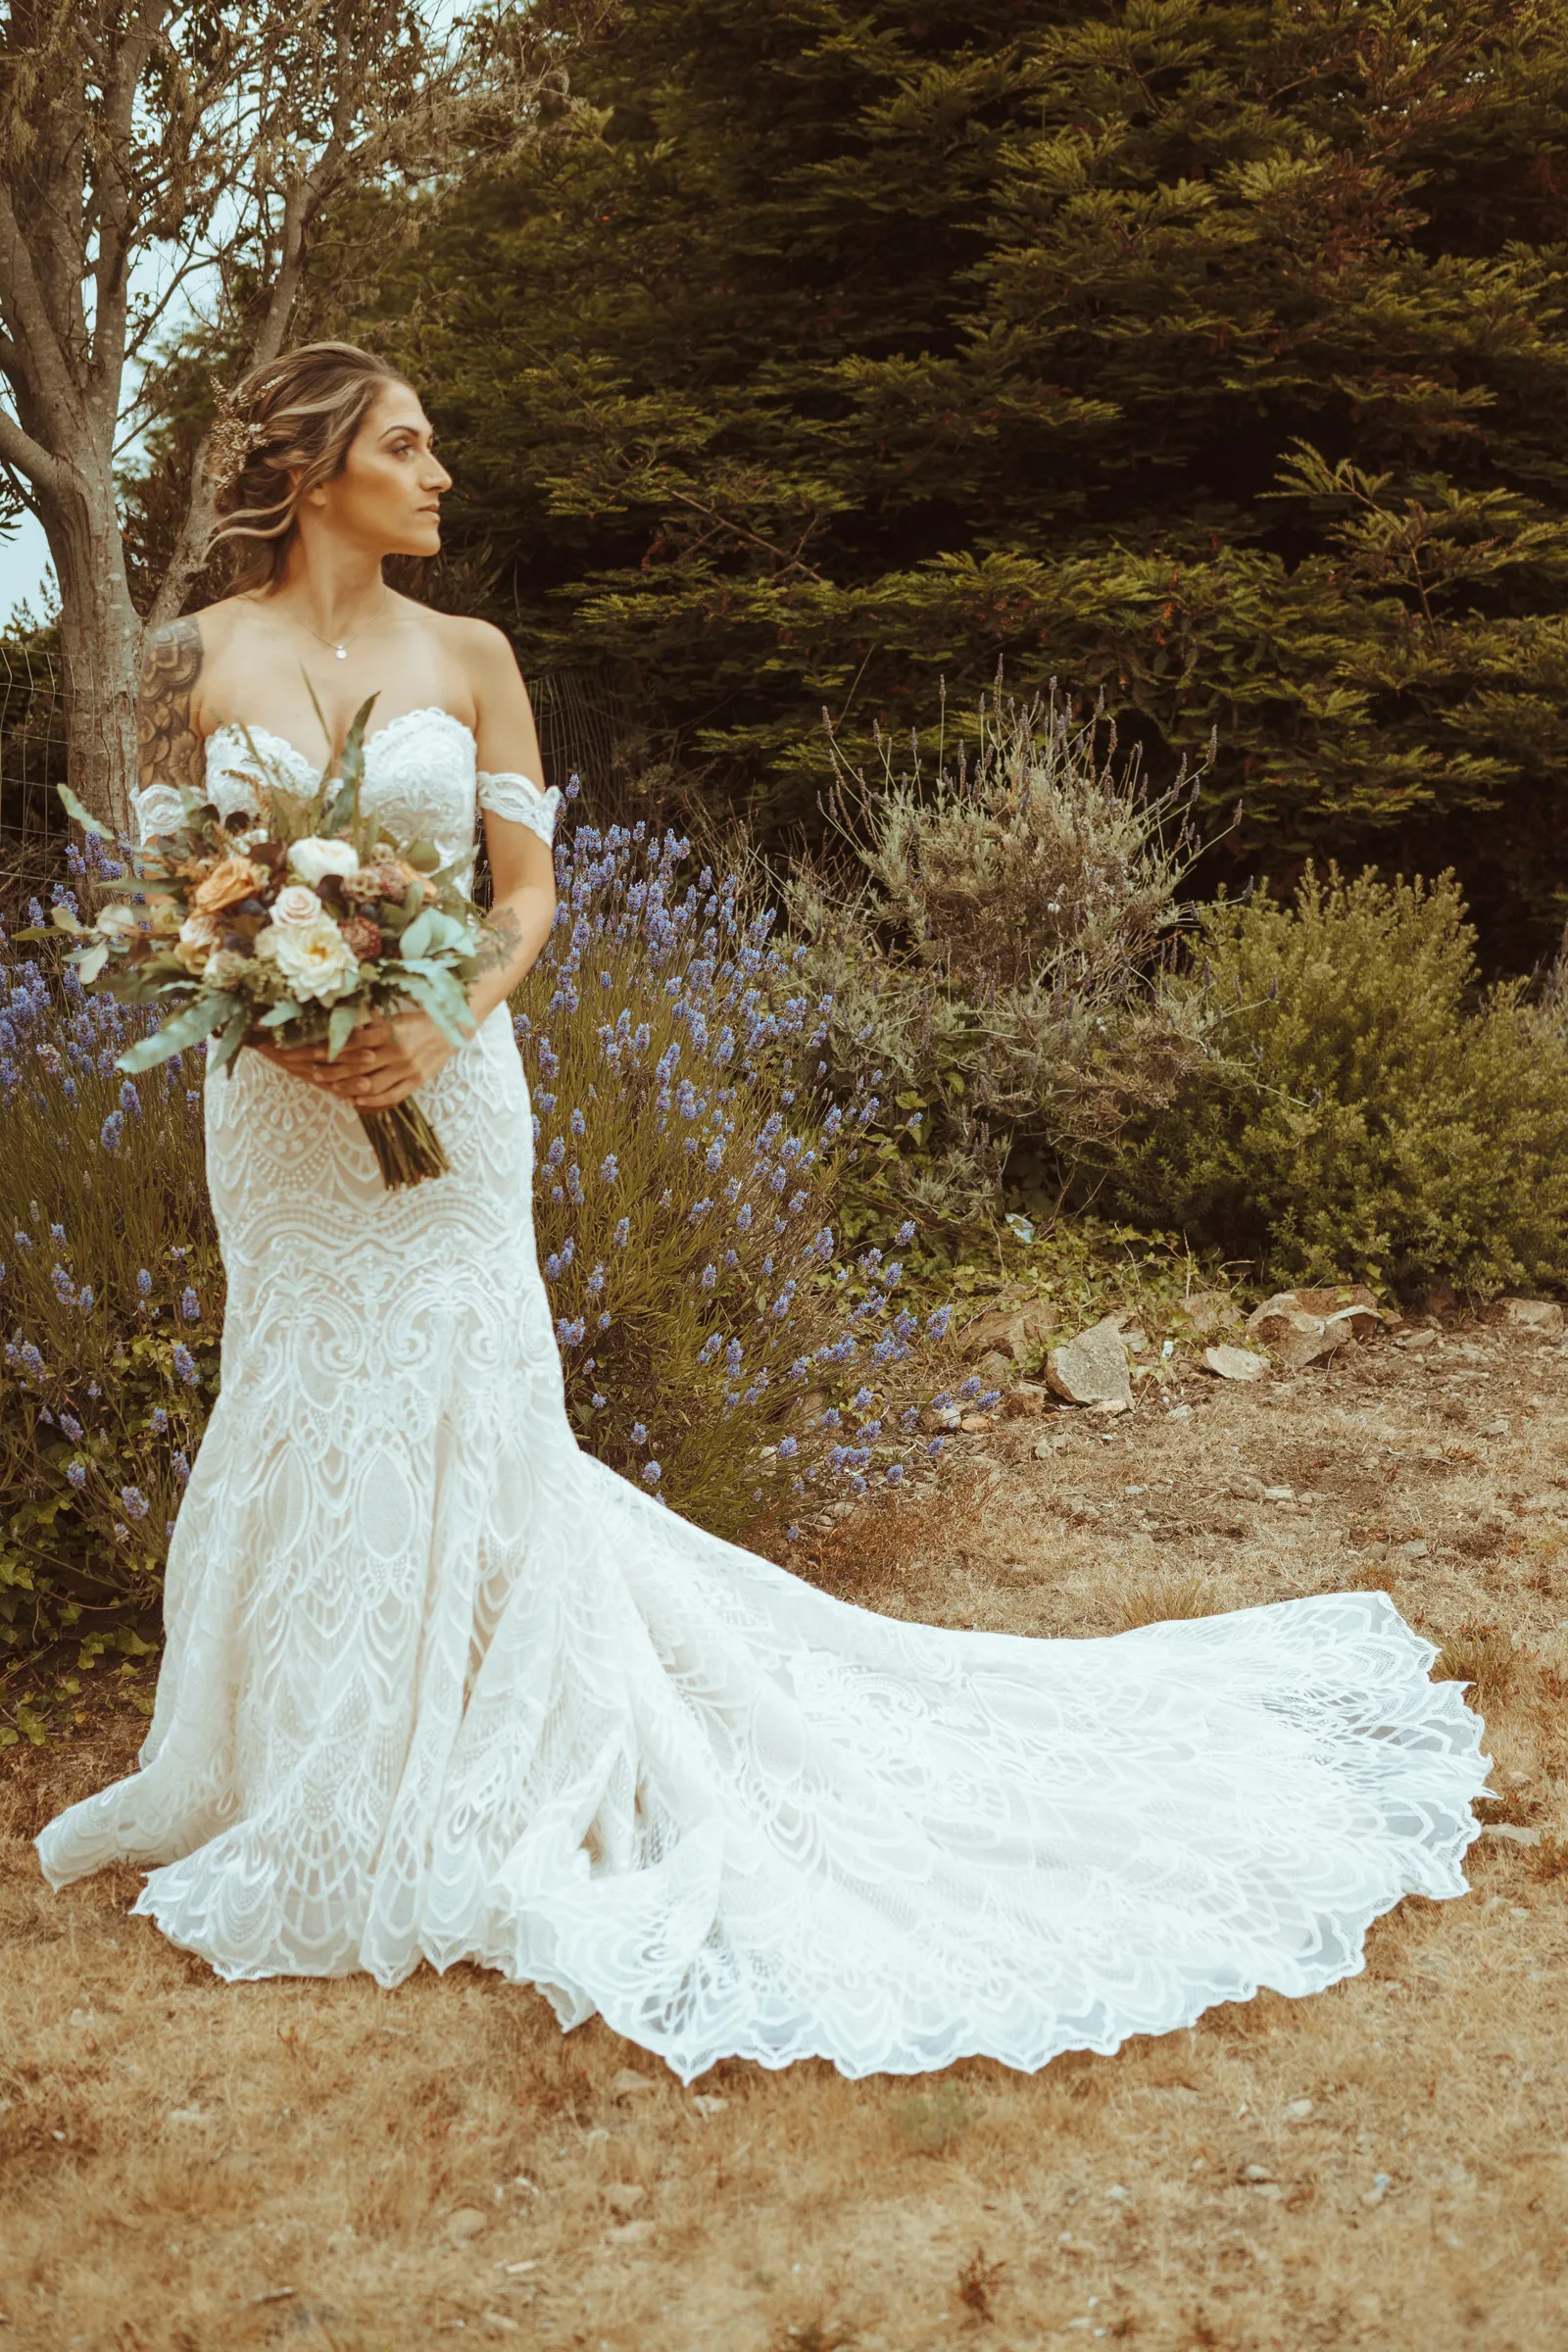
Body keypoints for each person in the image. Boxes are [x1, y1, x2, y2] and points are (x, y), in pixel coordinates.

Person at [36, 341, 1490, 2084]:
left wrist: (442, 1017)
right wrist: (280, 1013)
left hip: (457, 1090)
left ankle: (480, 1755)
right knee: (307, 1393)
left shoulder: (473, 657)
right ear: (318, 466)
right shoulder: (195, 661)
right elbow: (164, 901)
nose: (441, 476)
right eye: (410, 448)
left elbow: (527, 897)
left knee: (467, 1401)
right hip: (273, 1115)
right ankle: (311, 1766)